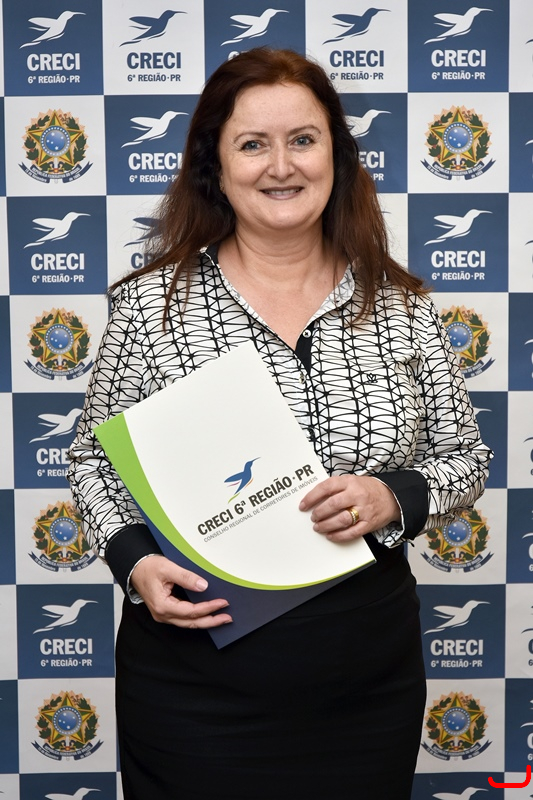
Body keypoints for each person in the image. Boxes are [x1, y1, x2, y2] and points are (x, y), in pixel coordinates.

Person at [68, 48, 492, 800]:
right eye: (252, 144)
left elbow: (464, 457)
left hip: (365, 688)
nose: (281, 166)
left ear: (336, 154)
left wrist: (392, 495)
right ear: (216, 165)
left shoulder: (403, 307)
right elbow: (95, 462)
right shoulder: (151, 306)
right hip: (193, 683)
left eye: (302, 139)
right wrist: (133, 563)